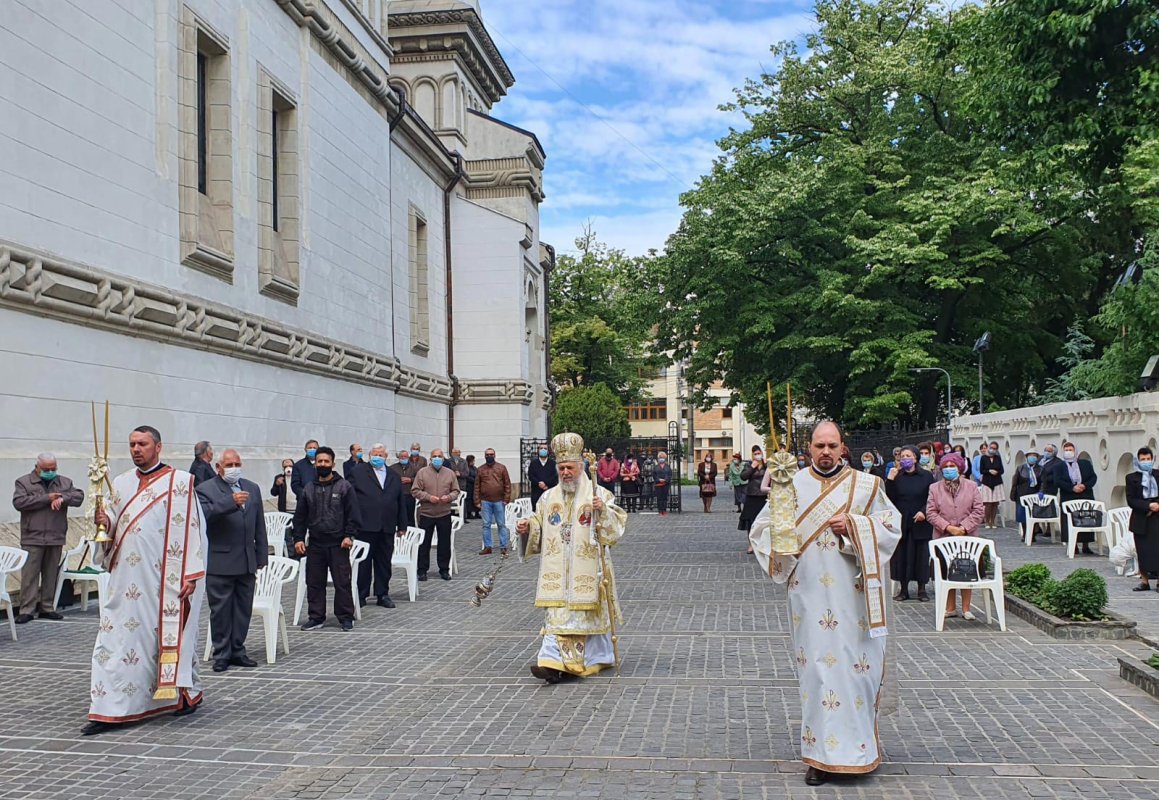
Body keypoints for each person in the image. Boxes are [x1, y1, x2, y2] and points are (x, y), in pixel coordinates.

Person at [748, 422, 901, 786]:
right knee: (818, 674)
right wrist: (782, 549)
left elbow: (891, 526)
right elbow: (761, 529)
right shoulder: (792, 484)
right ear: (809, 447)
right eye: (820, 445)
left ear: (843, 447)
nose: (826, 451)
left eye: (833, 445)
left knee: (856, 671)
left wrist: (853, 526)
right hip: (810, 597)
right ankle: (820, 757)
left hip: (856, 598)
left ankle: (861, 749)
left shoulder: (867, 486)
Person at [83, 426, 207, 736]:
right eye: (132, 444)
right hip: (124, 582)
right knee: (114, 641)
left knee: (165, 639)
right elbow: (114, 521)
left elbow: (193, 528)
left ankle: (179, 695)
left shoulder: (179, 483)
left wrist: (191, 573)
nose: (136, 449)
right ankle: (110, 705)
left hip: (164, 580)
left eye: (143, 444)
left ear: (158, 446)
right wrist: (104, 521)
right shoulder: (120, 483)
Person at [515, 432, 627, 683]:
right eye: (561, 468)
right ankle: (551, 662)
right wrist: (527, 528)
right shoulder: (547, 498)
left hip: (588, 572)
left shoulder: (599, 495)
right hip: (557, 576)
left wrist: (602, 512)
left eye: (570, 467)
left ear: (581, 467)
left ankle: (588, 660)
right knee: (557, 618)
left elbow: (614, 531)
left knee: (584, 619)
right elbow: (538, 523)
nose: (565, 472)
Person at [195, 449, 268, 673]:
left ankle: (238, 650)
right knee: (221, 610)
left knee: (242, 609)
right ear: (218, 468)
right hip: (220, 561)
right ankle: (222, 653)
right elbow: (204, 517)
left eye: (237, 464)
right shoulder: (205, 489)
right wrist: (230, 502)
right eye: (229, 465)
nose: (234, 468)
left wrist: (261, 554)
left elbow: (259, 525)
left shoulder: (252, 488)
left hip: (246, 560)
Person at [293, 446, 360, 631]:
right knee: (314, 582)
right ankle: (316, 617)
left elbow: (353, 514)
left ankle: (345, 616)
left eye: (326, 461)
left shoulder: (344, 486)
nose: (322, 464)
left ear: (333, 463)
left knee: (342, 582)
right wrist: (298, 538)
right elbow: (300, 517)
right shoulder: (308, 488)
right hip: (315, 544)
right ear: (315, 464)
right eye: (319, 461)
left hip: (338, 543)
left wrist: (349, 535)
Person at [12, 452, 84, 623]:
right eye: (46, 469)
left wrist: (63, 498)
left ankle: (47, 607)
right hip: (32, 536)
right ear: (37, 467)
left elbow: (79, 497)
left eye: (53, 469)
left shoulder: (64, 482)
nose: (50, 472)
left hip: (55, 535)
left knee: (51, 574)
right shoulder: (23, 482)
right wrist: (46, 498)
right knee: (30, 575)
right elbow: (19, 503)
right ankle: (27, 610)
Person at [348, 444, 408, 608]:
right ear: (369, 455)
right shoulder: (358, 472)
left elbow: (400, 501)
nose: (378, 457)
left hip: (387, 526)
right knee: (364, 563)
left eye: (381, 454)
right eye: (375, 454)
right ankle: (361, 594)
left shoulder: (393, 475)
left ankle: (382, 594)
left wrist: (402, 525)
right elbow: (350, 498)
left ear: (386, 457)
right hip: (365, 525)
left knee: (384, 562)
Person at [926, 452, 985, 620]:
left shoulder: (971, 486)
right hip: (944, 536)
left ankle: (966, 608)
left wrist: (964, 528)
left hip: (968, 537)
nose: (949, 469)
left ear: (959, 468)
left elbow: (978, 510)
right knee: (946, 571)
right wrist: (948, 527)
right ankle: (950, 607)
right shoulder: (934, 488)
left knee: (967, 570)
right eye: (945, 467)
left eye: (952, 466)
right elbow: (931, 513)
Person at [885, 446, 935, 601]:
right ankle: (904, 589)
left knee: (921, 555)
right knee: (902, 556)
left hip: (920, 521)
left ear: (915, 458)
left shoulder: (926, 476)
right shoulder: (897, 476)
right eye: (902, 456)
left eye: (908, 455)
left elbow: (932, 498)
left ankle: (921, 589)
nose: (905, 458)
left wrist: (924, 512)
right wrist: (890, 480)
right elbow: (889, 498)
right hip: (902, 520)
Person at [412, 448, 459, 580]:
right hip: (427, 513)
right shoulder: (422, 472)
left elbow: (456, 491)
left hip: (444, 513)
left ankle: (444, 569)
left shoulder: (449, 473)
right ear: (430, 458)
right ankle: (422, 570)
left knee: (444, 543)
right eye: (435, 456)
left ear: (443, 459)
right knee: (424, 543)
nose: (437, 458)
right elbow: (415, 490)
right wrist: (428, 497)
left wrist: (449, 497)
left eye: (439, 456)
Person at [1050, 441, 1098, 555]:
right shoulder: (1059, 466)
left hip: (1085, 495)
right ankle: (1073, 545)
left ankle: (1086, 545)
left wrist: (1084, 485)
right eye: (1066, 450)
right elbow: (1057, 481)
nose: (1068, 452)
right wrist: (1072, 488)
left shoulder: (1085, 464)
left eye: (1070, 450)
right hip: (1068, 496)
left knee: (1086, 519)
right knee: (1069, 520)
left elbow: (1093, 477)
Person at [1126, 447, 1159, 592]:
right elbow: (1131, 500)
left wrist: (1157, 505)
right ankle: (1144, 581)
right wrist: (1148, 506)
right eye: (1143, 459)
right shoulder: (1132, 478)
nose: (1146, 462)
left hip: (1157, 516)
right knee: (1143, 550)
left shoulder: (1158, 475)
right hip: (1141, 518)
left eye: (1148, 459)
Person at [474, 448, 512, 556]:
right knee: (486, 525)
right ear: (484, 456)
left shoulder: (501, 468)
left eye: (491, 454)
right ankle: (487, 547)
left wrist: (506, 499)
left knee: (501, 524)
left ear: (495, 455)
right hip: (485, 501)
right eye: (487, 454)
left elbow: (507, 484)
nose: (489, 456)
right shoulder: (480, 469)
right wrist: (477, 500)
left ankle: (504, 546)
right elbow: (477, 486)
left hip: (499, 501)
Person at [739, 449, 768, 554]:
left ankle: (763, 544)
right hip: (752, 496)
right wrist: (752, 467)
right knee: (750, 521)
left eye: (759, 453)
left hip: (765, 496)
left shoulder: (767, 465)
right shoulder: (749, 465)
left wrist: (765, 464)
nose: (757, 455)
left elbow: (774, 476)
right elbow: (743, 477)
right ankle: (751, 544)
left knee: (765, 521)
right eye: (755, 454)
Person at [1009, 451, 1044, 539]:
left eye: (1034, 456)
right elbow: (1015, 481)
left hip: (1035, 494)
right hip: (1022, 494)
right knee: (1022, 515)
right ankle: (1025, 533)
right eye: (1030, 456)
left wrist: (1041, 491)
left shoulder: (1041, 469)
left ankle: (1033, 533)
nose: (1032, 457)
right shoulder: (1020, 468)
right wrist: (1013, 493)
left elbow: (1043, 482)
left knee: (1034, 514)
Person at [390, 445, 422, 526]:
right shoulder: (393, 468)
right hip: (397, 496)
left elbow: (419, 479)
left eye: (405, 456)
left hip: (409, 495)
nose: (403, 458)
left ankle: (411, 532)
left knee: (410, 516)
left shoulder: (414, 468)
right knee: (398, 515)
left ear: (408, 457)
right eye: (402, 456)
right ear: (398, 457)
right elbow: (389, 480)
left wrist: (410, 480)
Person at [978, 441, 1005, 529]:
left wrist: (996, 472)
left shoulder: (998, 458)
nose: (992, 450)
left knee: (995, 503)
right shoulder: (983, 458)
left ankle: (993, 521)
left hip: (997, 481)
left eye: (994, 448)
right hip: (987, 482)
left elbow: (1002, 470)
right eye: (991, 448)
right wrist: (989, 471)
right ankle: (987, 521)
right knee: (988, 503)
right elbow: (982, 470)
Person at [528, 445, 558, 510]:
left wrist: (546, 484)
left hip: (549, 491)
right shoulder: (533, 463)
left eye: (545, 448)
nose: (543, 450)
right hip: (536, 493)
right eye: (541, 448)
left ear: (548, 451)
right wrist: (539, 483)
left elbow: (555, 476)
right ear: (538, 451)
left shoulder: (553, 463)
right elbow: (531, 475)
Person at [465, 455, 480, 519]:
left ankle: (477, 512)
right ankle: (469, 513)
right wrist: (474, 480)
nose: (473, 462)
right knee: (469, 500)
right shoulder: (466, 468)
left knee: (477, 499)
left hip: (475, 486)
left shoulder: (474, 468)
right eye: (472, 461)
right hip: (469, 486)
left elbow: (478, 474)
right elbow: (467, 477)